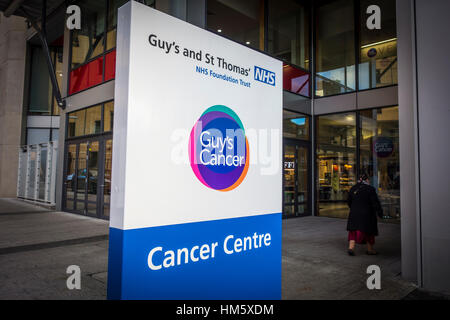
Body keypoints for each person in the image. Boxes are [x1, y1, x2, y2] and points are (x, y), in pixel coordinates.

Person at [346, 174, 383, 256]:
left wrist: (353, 208)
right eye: (368, 180)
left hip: (354, 213)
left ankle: (351, 248)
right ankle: (370, 250)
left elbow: (348, 201)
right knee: (369, 232)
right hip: (367, 214)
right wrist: (380, 213)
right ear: (366, 180)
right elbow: (375, 203)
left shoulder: (353, 188)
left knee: (353, 231)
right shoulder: (370, 189)